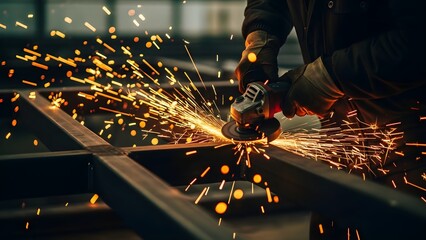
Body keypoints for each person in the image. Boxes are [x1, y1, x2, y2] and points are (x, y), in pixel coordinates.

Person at [235, 0, 426, 238]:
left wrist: (330, 77)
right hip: (340, 145)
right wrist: (260, 34)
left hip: (412, 152)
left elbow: (417, 41)